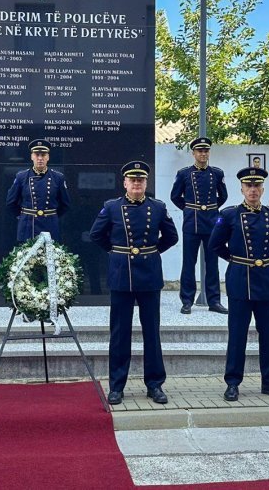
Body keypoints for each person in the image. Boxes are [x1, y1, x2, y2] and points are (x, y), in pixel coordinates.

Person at [90, 161, 178, 406]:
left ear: (146, 183)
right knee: (120, 333)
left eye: (141, 180)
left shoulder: (158, 208)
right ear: (125, 183)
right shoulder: (111, 207)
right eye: (133, 180)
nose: (137, 183)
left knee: (152, 332)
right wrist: (116, 253)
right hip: (121, 275)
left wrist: (152, 251)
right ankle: (117, 386)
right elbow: (97, 235)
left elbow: (172, 236)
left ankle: (155, 385)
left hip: (149, 275)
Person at [209, 167, 269, 402]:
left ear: (262, 189)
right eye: (249, 186)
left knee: (268, 333)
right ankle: (233, 382)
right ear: (242, 189)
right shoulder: (229, 215)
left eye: (257, 186)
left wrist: (263, 261)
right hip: (240, 280)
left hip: (266, 279)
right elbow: (215, 245)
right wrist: (237, 261)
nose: (253, 190)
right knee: (237, 334)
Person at [170, 137, 228, 315]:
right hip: (192, 223)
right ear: (193, 153)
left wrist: (210, 209)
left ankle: (214, 301)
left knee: (212, 263)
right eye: (199, 151)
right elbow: (175, 196)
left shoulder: (217, 173)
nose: (203, 154)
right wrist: (189, 210)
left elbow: (223, 197)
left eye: (206, 151)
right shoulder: (184, 174)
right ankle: (186, 301)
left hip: (211, 222)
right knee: (189, 262)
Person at [6, 139, 71, 242]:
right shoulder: (21, 177)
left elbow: (65, 204)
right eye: (37, 155)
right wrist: (23, 216)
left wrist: (52, 216)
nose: (40, 158)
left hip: (50, 225)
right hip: (28, 226)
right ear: (32, 157)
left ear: (48, 157)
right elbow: (11, 202)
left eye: (43, 155)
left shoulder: (58, 177)